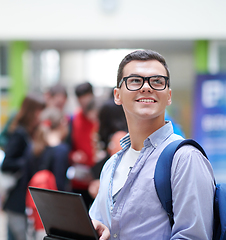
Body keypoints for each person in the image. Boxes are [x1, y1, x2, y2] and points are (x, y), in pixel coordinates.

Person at [89, 49, 215, 240]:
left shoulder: (185, 158)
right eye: (135, 81)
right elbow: (97, 222)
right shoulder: (112, 164)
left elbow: (193, 237)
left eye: (157, 81)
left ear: (169, 96)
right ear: (117, 95)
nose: (147, 87)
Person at [1, 93, 47, 240]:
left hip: (24, 198)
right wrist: (27, 162)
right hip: (17, 199)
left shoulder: (32, 132)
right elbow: (6, 164)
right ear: (32, 111)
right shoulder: (19, 133)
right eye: (40, 110)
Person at [68, 82, 99, 209]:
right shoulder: (74, 119)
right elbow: (68, 147)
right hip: (80, 181)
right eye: (81, 103)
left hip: (98, 180)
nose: (85, 106)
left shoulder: (100, 118)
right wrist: (73, 155)